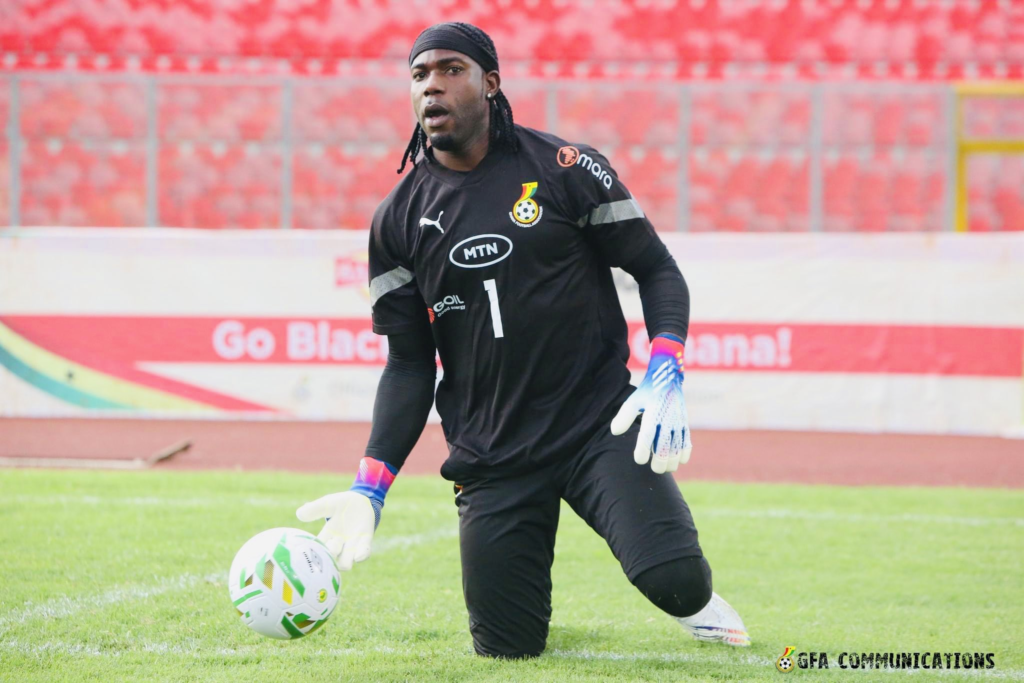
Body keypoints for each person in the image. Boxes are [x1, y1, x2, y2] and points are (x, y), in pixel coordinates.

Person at [296, 22, 750, 659]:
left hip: (596, 424)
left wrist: (666, 365)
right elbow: (407, 365)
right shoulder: (396, 219)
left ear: (490, 82)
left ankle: (701, 608)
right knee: (508, 648)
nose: (431, 86)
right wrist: (370, 484)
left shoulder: (565, 167)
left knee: (672, 579)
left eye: (450, 70)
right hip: (492, 453)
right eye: (419, 74)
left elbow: (656, 269)